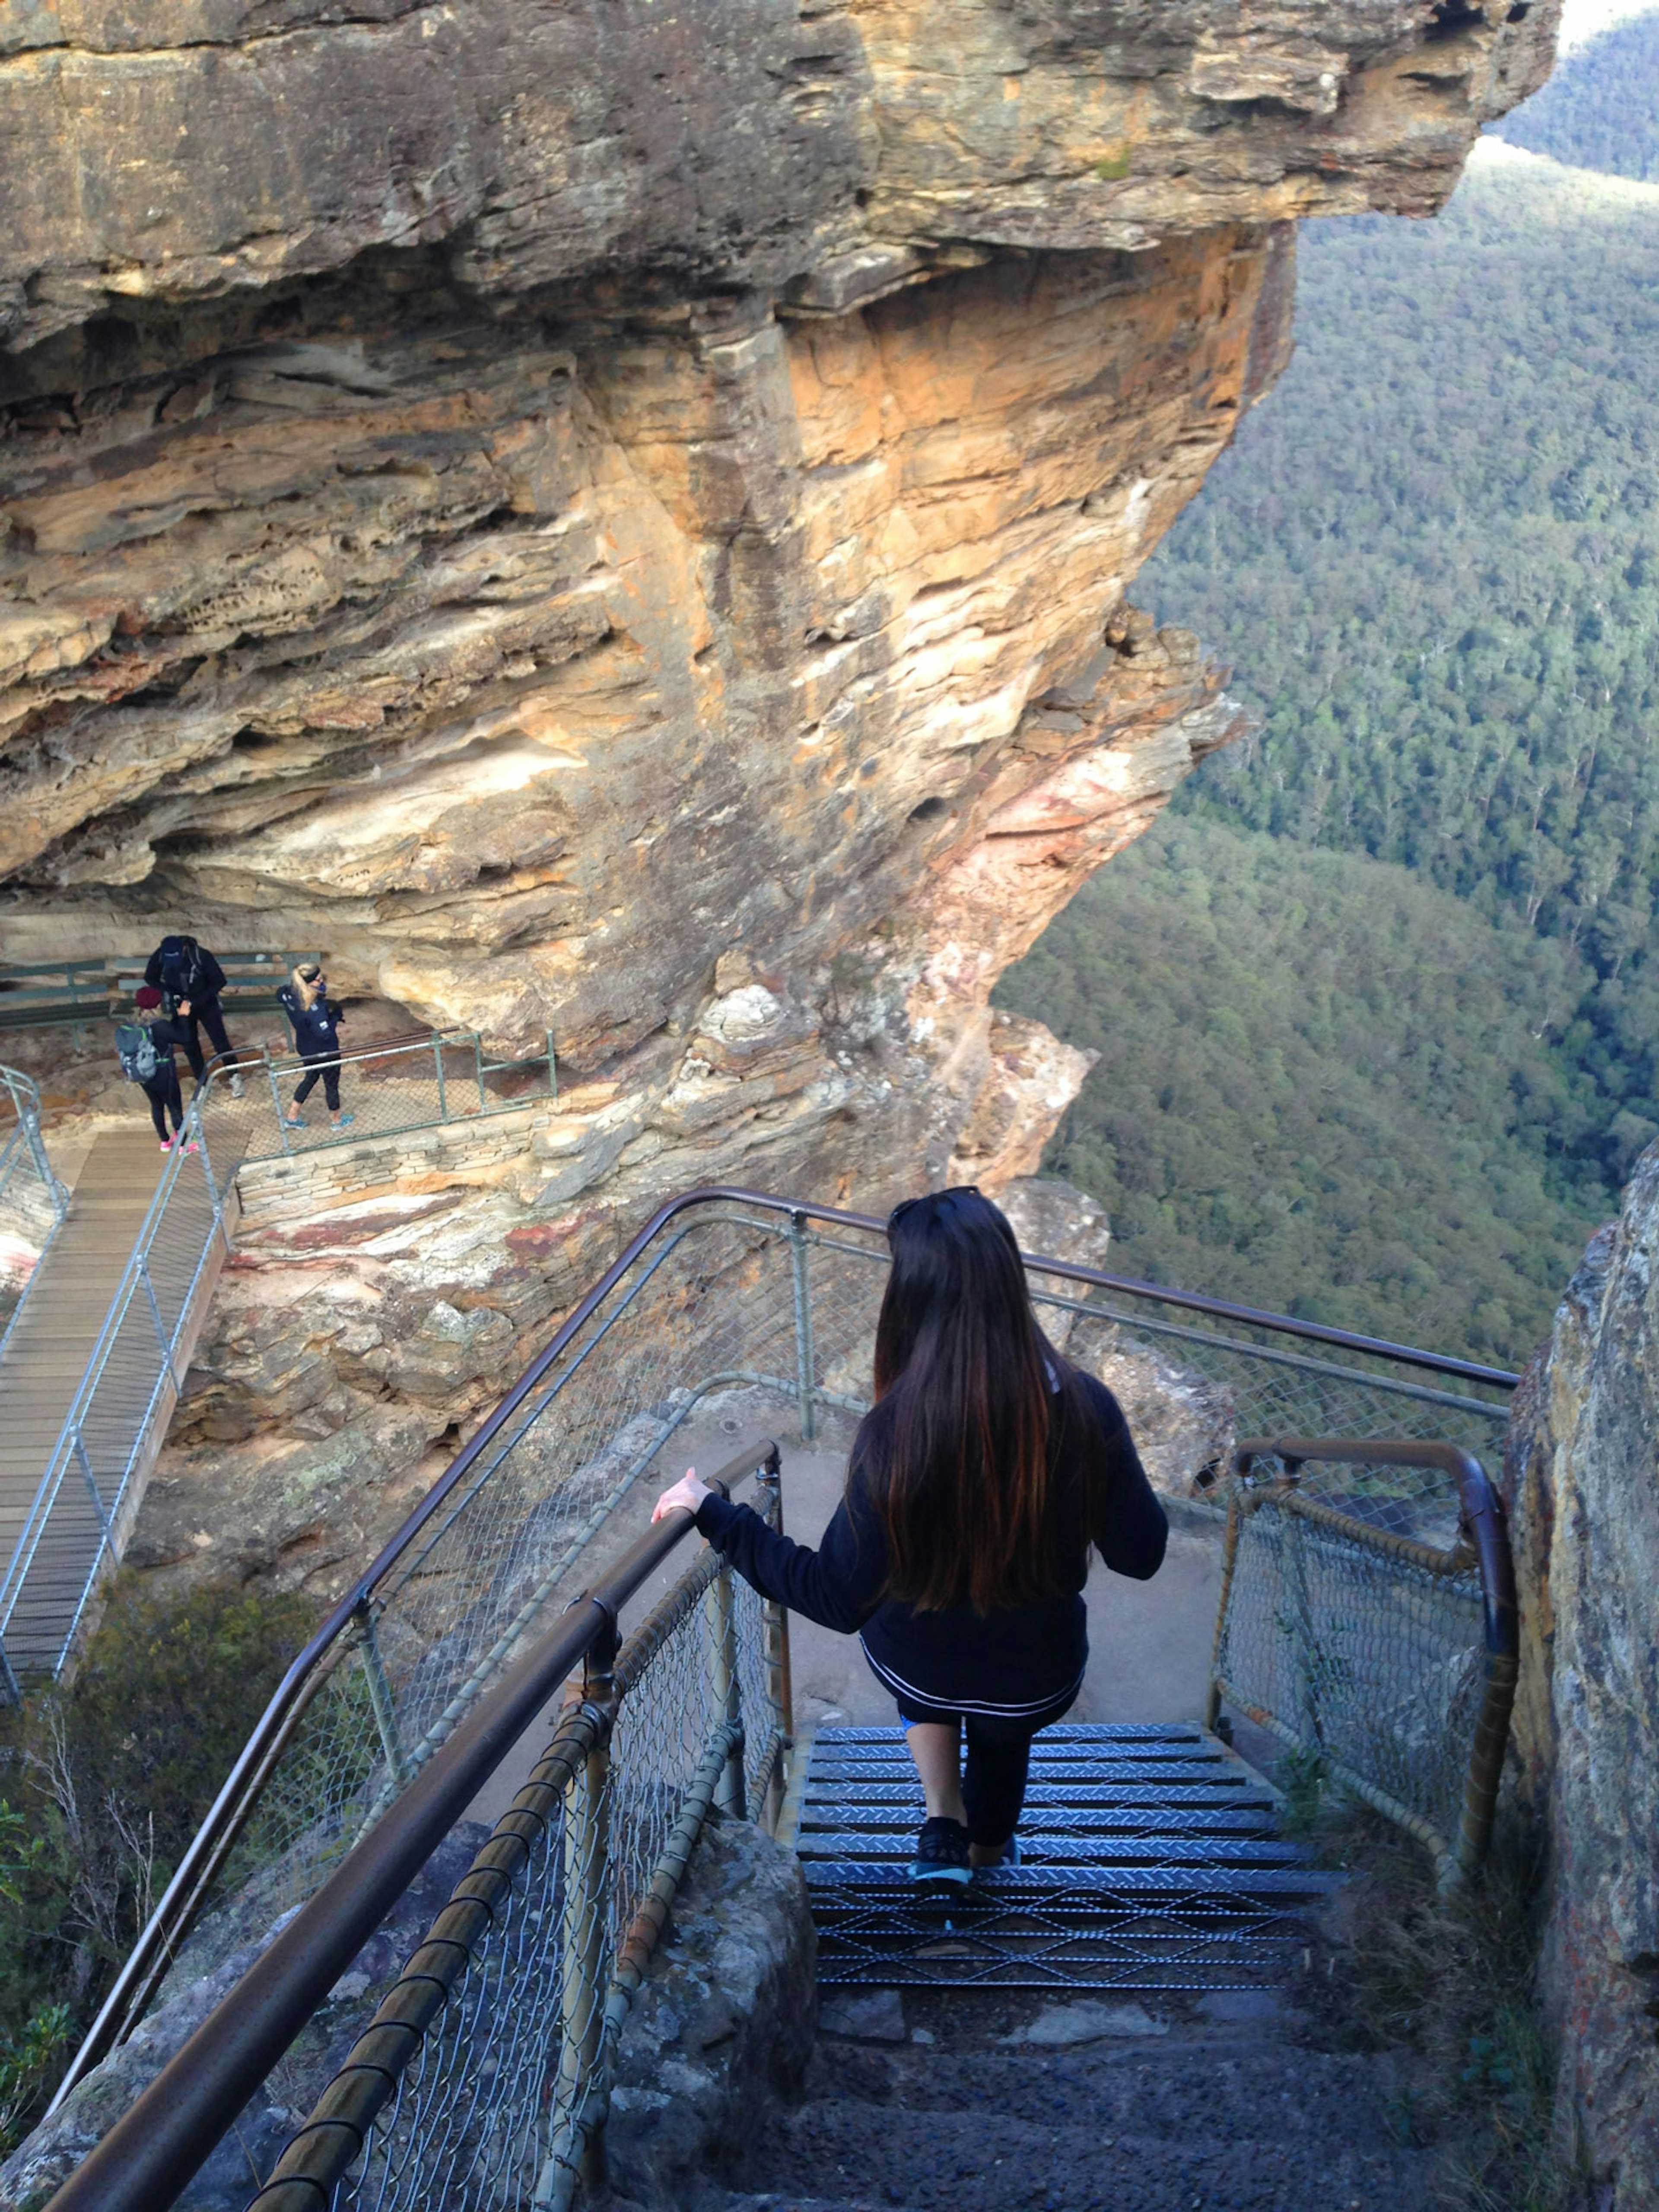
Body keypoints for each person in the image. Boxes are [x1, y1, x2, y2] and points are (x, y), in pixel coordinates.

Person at [651, 1185, 1168, 1888]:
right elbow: (1141, 1556)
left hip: (918, 1662)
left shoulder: (895, 1433)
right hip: (1033, 1672)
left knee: (919, 1647)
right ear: (1007, 1281)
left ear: (912, 1299)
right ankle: (987, 1857)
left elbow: (837, 1597)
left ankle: (941, 1818)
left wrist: (714, 1512)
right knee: (1002, 1739)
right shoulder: (1086, 1408)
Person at [143, 934, 245, 1096]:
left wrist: (196, 1000)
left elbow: (219, 981)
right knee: (190, 1044)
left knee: (220, 1042)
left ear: (183, 950)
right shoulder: (161, 956)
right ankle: (202, 1083)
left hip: (206, 1002)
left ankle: (235, 1076)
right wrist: (169, 991)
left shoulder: (201, 956)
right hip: (181, 1005)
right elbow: (150, 977)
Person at [275, 963, 354, 1131]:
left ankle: (292, 1116)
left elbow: (279, 994)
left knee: (311, 1077)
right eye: (318, 980)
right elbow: (324, 1032)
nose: (322, 981)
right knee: (331, 1083)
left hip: (306, 1046)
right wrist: (334, 1017)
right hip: (324, 1050)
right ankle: (336, 1120)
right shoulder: (314, 1007)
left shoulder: (290, 994)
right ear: (309, 983)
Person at [127, 987, 198, 1152]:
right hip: (164, 1072)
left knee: (156, 1105)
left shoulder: (134, 1024)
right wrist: (183, 1017)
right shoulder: (160, 1025)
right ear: (158, 1004)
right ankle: (183, 1144)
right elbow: (184, 1038)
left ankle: (165, 1141)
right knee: (174, 1106)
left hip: (143, 1072)